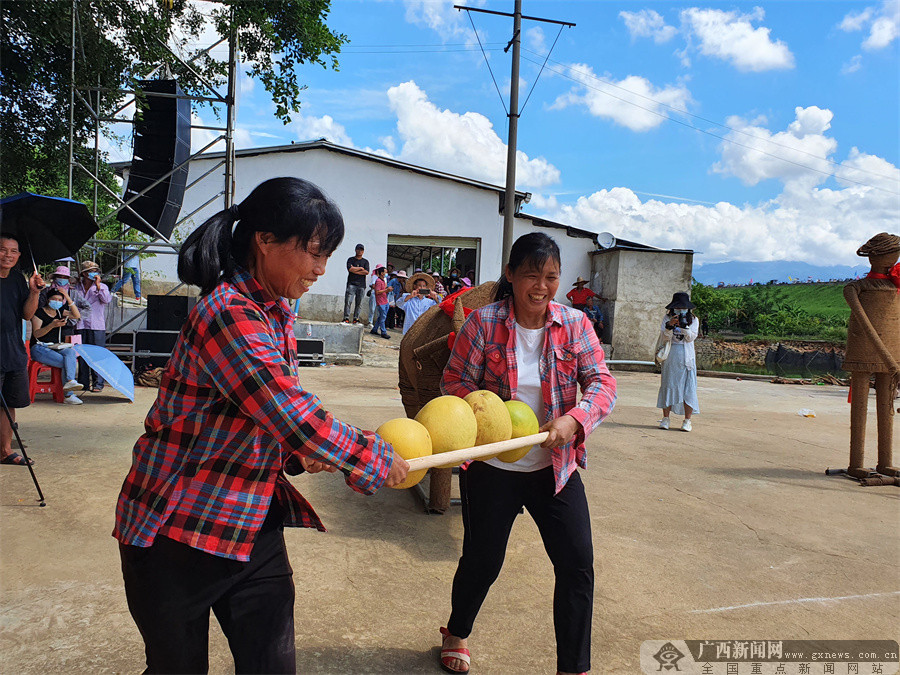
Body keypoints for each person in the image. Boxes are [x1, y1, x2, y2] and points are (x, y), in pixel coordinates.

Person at [113, 177, 409, 674]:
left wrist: (297, 455)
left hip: (249, 523)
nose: (321, 269)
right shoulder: (229, 313)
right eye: (313, 252)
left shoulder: (275, 313)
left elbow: (260, 416)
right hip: (176, 530)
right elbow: (290, 413)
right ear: (265, 241)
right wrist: (370, 456)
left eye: (328, 255)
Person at [438, 232, 617, 675]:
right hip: (493, 465)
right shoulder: (483, 323)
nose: (541, 286)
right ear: (511, 275)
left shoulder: (575, 324)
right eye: (532, 275)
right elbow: (453, 381)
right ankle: (456, 631)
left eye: (551, 277)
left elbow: (602, 383)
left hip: (555, 466)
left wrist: (574, 420)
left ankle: (572, 667)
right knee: (483, 560)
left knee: (577, 563)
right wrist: (487, 414)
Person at [0, 234, 44, 466]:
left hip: (13, 351)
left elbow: (27, 315)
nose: (8, 255)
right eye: (2, 249)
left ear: (19, 255)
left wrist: (34, 292)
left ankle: (5, 451)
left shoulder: (18, 279)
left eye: (13, 251)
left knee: (9, 404)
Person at [30, 287, 83, 405]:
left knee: (70, 353)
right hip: (39, 347)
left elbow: (77, 315)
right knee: (66, 362)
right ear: (48, 300)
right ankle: (69, 394)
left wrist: (68, 297)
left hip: (56, 347)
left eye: (60, 300)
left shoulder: (60, 312)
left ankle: (70, 381)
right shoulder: (39, 313)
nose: (57, 302)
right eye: (54, 299)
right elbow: (36, 333)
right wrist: (52, 325)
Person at [657, 292, 700, 432]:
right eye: (678, 308)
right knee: (668, 385)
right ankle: (665, 418)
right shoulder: (667, 318)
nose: (680, 310)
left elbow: (691, 338)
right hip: (671, 355)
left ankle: (687, 421)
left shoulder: (694, 320)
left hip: (687, 357)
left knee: (688, 388)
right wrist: (669, 326)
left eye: (683, 308)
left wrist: (684, 327)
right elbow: (665, 337)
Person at [70, 260, 111, 393]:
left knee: (97, 355)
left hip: (96, 325)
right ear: (84, 273)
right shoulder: (76, 287)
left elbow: (106, 299)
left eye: (96, 271)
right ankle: (83, 382)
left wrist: (98, 286)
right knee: (82, 354)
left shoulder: (102, 286)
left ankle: (98, 383)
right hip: (80, 324)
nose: (94, 273)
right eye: (91, 271)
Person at [343, 243, 369, 324]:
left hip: (361, 285)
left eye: (361, 250)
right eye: (358, 249)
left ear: (363, 251)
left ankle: (356, 318)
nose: (360, 251)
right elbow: (350, 269)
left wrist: (355, 270)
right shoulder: (350, 259)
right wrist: (360, 268)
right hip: (351, 284)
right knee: (348, 301)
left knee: (359, 303)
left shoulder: (365, 261)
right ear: (355, 250)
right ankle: (346, 318)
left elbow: (366, 272)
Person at [370, 264, 390, 339]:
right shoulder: (378, 281)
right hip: (381, 301)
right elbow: (377, 292)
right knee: (382, 317)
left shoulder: (383, 280)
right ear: (382, 273)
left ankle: (374, 329)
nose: (386, 273)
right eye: (385, 272)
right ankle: (383, 332)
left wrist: (387, 290)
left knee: (381, 316)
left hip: (384, 301)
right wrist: (386, 290)